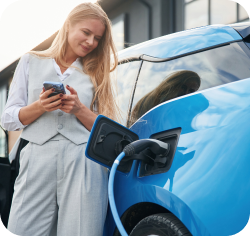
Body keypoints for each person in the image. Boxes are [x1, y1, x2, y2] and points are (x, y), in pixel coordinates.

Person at [1, 2, 119, 236]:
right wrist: (40, 106)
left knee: (81, 231)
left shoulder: (97, 71)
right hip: (36, 156)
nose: (91, 42)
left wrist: (79, 109)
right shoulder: (30, 60)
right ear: (67, 26)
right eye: (86, 33)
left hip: (83, 161)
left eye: (97, 38)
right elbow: (8, 119)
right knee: (22, 229)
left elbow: (108, 129)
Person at [129, 70, 201, 126]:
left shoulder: (179, 109)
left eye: (191, 91)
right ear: (174, 84)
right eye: (183, 87)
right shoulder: (151, 102)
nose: (186, 93)